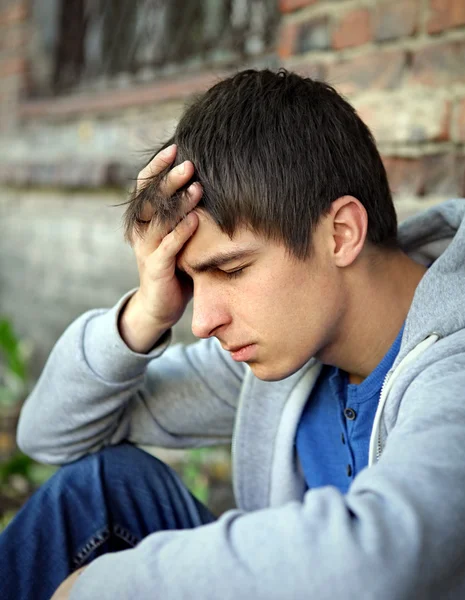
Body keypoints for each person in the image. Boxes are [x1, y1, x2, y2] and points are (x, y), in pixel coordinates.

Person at [1, 69, 464, 600]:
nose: (201, 321)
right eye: (192, 279)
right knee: (103, 488)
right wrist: (147, 314)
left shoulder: (454, 362)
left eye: (232, 269)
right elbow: (50, 434)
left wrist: (106, 586)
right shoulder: (280, 359)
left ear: (340, 234)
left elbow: (384, 560)